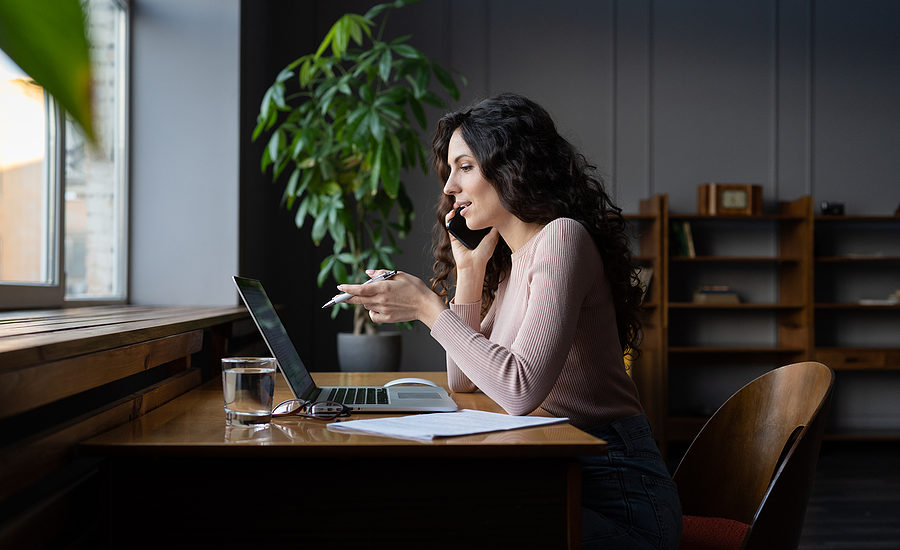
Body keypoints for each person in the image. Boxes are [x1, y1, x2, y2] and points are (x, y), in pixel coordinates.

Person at [338, 93, 682, 549]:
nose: (448, 188)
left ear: (512, 167)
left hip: (617, 493)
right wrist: (469, 273)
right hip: (563, 470)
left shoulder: (562, 237)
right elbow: (464, 382)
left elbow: (519, 391)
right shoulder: (516, 260)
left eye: (465, 167)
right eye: (449, 171)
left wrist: (426, 306)